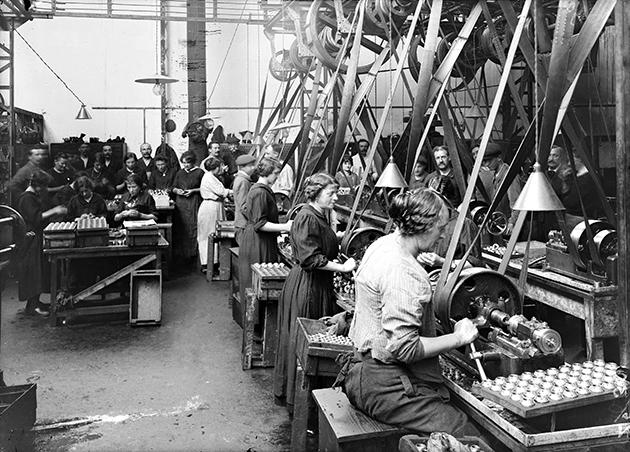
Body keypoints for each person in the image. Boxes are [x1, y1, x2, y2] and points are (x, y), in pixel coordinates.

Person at [337, 188, 480, 435]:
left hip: (360, 370)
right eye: (441, 227)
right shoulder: (404, 271)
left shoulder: (383, 244)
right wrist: (459, 337)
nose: (443, 233)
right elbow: (405, 348)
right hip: (382, 384)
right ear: (424, 226)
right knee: (464, 429)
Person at [273, 173, 356, 406]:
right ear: (316, 194)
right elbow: (311, 258)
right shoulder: (307, 218)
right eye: (331, 193)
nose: (335, 197)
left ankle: (307, 399)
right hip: (308, 286)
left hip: (317, 284)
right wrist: (343, 267)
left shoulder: (319, 215)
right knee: (303, 345)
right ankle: (299, 401)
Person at [238, 157, 292, 304]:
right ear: (267, 173)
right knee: (257, 285)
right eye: (275, 173)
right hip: (258, 242)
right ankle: (254, 323)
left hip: (261, 239)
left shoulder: (261, 190)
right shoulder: (260, 192)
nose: (277, 176)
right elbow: (260, 224)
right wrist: (286, 227)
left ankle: (257, 322)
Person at [16, 171, 67, 316]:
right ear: (36, 185)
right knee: (34, 273)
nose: (44, 190)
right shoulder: (26, 198)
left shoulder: (32, 197)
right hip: (31, 240)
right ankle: (32, 307)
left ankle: (35, 303)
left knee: (38, 272)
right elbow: (36, 218)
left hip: (36, 238)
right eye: (43, 186)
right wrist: (55, 210)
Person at [197, 157, 232, 275]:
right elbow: (222, 191)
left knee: (214, 233)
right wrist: (234, 191)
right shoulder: (208, 177)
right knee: (209, 234)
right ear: (216, 168)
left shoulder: (212, 177)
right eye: (220, 167)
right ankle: (207, 263)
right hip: (210, 207)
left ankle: (214, 262)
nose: (221, 169)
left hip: (215, 206)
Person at [172, 151, 204, 267]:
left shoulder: (199, 172)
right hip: (181, 203)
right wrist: (177, 191)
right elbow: (173, 187)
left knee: (193, 227)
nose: (185, 165)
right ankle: (182, 256)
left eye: (187, 163)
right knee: (182, 228)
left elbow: (204, 188)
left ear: (193, 162)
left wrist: (193, 191)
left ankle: (192, 255)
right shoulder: (180, 172)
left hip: (193, 202)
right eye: (183, 163)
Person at [481, 143, 521, 235]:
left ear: (499, 158)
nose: (486, 164)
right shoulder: (495, 174)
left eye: (489, 161)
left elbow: (516, 203)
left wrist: (512, 222)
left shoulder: (509, 175)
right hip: (500, 223)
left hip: (508, 225)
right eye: (484, 161)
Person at [233, 154, 257, 245]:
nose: (253, 168)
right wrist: (256, 219)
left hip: (241, 224)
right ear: (242, 167)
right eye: (251, 166)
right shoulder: (243, 181)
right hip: (244, 225)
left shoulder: (240, 179)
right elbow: (244, 206)